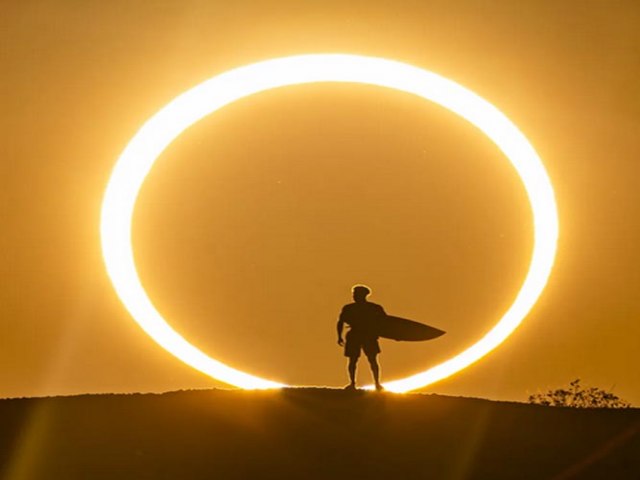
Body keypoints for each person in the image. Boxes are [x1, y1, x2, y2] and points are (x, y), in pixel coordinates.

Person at [337, 285, 385, 391]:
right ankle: (352, 383)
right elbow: (340, 322)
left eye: (356, 294)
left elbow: (385, 323)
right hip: (355, 335)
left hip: (369, 335)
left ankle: (377, 383)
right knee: (353, 360)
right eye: (354, 294)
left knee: (372, 360)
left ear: (363, 295)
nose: (354, 296)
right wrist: (339, 336)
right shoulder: (349, 308)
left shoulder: (374, 308)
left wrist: (395, 335)